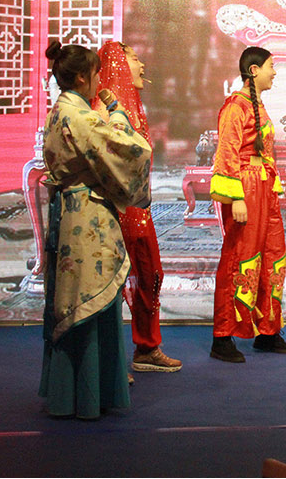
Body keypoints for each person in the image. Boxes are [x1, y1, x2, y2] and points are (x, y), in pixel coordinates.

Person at [39, 38, 152, 420]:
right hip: (87, 217)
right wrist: (117, 112)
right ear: (83, 78)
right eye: (96, 74)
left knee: (72, 300)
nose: (100, 80)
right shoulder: (81, 118)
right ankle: (88, 398)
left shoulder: (60, 110)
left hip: (68, 215)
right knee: (90, 302)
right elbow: (130, 150)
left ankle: (68, 394)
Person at [91, 39, 181, 376]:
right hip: (112, 210)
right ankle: (108, 362)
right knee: (111, 282)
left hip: (137, 209)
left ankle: (147, 348)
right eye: (134, 59)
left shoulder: (127, 107)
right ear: (116, 65)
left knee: (150, 274)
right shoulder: (99, 110)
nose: (142, 66)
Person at [209, 46, 286, 363]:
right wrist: (236, 197)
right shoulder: (235, 106)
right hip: (244, 188)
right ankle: (223, 336)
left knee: (272, 256)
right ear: (255, 70)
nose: (275, 72)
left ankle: (268, 331)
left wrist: (272, 186)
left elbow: (264, 152)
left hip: (264, 190)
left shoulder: (258, 105)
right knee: (239, 258)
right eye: (272, 66)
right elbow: (227, 153)